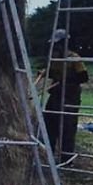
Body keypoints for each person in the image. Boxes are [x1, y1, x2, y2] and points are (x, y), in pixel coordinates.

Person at [38, 29, 88, 160]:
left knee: (67, 128)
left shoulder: (74, 58)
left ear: (65, 43)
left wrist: (65, 82)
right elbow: (52, 72)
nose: (56, 46)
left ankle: (66, 159)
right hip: (55, 95)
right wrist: (44, 72)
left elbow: (83, 77)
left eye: (58, 43)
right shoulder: (54, 58)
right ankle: (47, 155)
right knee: (49, 124)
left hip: (70, 97)